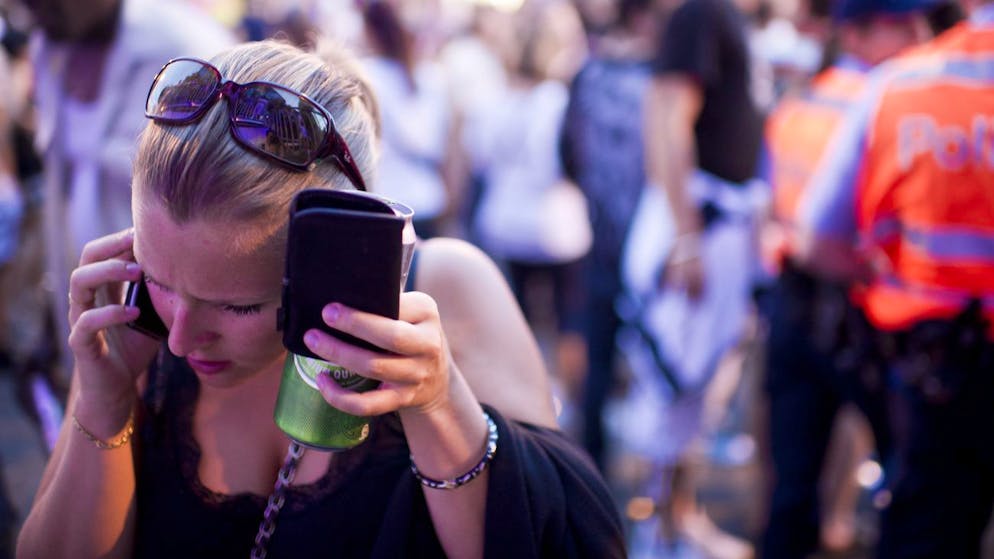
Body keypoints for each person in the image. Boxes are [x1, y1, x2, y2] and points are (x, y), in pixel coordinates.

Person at [15, 40, 626, 559]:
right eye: (161, 282)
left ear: (331, 250)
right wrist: (103, 400)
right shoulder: (133, 334)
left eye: (237, 307)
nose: (179, 338)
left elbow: (560, 540)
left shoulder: (448, 288)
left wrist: (439, 405)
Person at [797, 0, 994, 555]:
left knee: (927, 531)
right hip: (939, 362)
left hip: (934, 368)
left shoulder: (897, 86)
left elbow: (819, 240)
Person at [760, 0, 932, 555]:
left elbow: (775, 207)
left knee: (790, 488)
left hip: (795, 302)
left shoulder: (803, 99)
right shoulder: (893, 101)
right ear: (856, 34)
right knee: (910, 479)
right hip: (863, 307)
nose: (920, 34)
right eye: (901, 24)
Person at [21, 0, 233, 383]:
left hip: (170, 324)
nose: (28, 10)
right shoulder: (49, 45)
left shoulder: (188, 47)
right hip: (87, 307)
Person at [560, 0, 657, 470]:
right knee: (654, 364)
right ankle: (655, 490)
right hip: (651, 246)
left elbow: (566, 153)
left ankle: (590, 466)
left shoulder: (589, 74)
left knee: (598, 357)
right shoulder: (661, 78)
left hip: (599, 238)